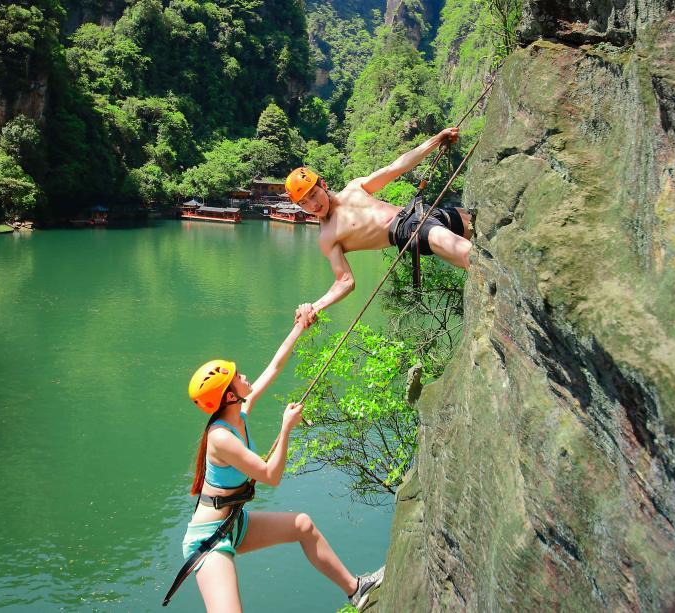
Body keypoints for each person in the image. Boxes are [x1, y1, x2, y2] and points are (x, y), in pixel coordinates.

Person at [182, 321, 383, 611]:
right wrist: (286, 427)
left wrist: (300, 327)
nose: (244, 375)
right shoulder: (221, 438)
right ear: (229, 395)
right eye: (237, 375)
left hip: (233, 524)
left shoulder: (240, 414)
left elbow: (275, 366)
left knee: (302, 525)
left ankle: (355, 589)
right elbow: (271, 476)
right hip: (209, 540)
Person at [286, 127, 472, 327]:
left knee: (483, 225)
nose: (313, 205)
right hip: (408, 231)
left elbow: (396, 167)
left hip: (422, 210)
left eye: (313, 194)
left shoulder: (355, 188)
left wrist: (436, 140)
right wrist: (316, 307)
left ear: (322, 184)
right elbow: (345, 281)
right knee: (471, 256)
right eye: (304, 203)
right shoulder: (328, 237)